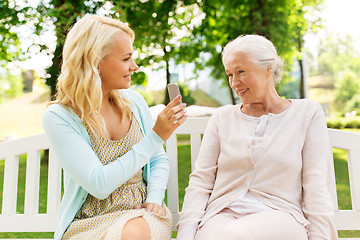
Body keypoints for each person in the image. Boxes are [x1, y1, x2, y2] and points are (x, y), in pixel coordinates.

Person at [176, 34, 338, 240]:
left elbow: (316, 185)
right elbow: (201, 181)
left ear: (268, 69)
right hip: (221, 215)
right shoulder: (222, 118)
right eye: (229, 75)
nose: (234, 83)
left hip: (280, 215)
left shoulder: (307, 113)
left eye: (241, 71)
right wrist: (185, 235)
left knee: (233, 236)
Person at [42, 14, 187, 240]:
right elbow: (99, 184)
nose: (134, 66)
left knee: (134, 232)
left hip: (142, 215)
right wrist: (156, 136)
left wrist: (154, 200)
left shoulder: (134, 102)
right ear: (96, 62)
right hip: (87, 224)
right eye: (126, 58)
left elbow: (157, 160)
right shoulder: (59, 117)